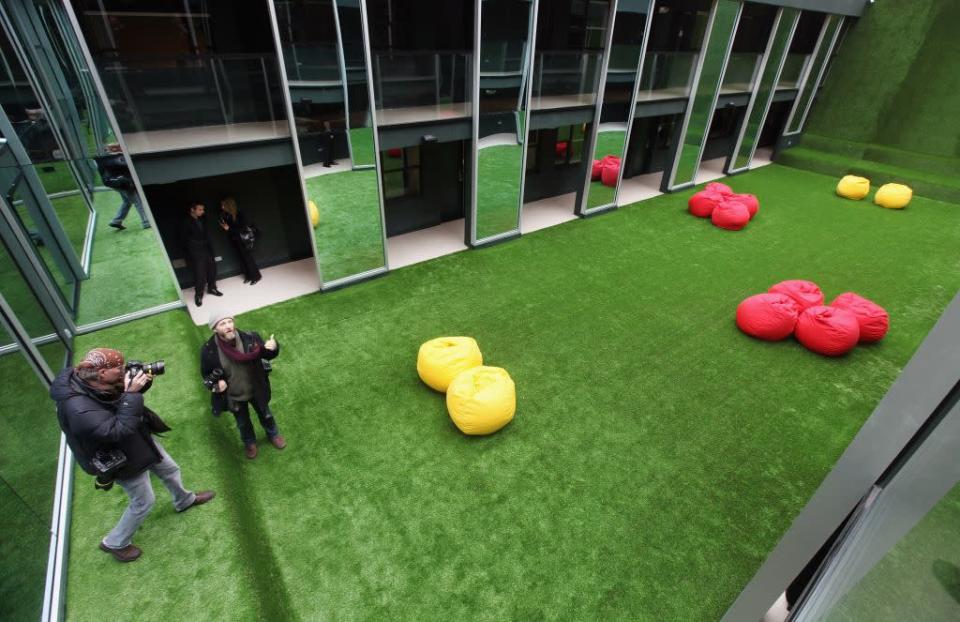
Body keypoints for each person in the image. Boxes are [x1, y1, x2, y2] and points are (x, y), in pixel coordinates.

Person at [50, 348, 215, 563]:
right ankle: (114, 543)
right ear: (101, 373)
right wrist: (132, 394)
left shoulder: (92, 380)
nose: (122, 370)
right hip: (116, 455)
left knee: (170, 468)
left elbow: (120, 401)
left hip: (135, 437)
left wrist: (140, 383)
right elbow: (115, 431)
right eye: (118, 368)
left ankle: (184, 500)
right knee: (144, 501)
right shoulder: (77, 408)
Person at [201, 313, 286, 459]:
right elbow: (206, 375)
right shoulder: (208, 350)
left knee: (266, 414)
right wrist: (216, 385)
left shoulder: (250, 337)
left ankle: (273, 434)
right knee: (242, 423)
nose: (228, 326)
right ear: (214, 329)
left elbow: (267, 354)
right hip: (234, 395)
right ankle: (250, 443)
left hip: (256, 389)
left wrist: (274, 346)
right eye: (222, 324)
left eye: (229, 322)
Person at [96, 144, 149, 230]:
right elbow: (124, 164)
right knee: (138, 201)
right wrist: (121, 152)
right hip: (123, 183)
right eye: (108, 149)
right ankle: (146, 222)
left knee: (127, 201)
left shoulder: (102, 160)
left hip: (116, 183)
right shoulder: (110, 159)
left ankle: (116, 221)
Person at [181, 203, 223, 307]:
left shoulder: (203, 219)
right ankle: (199, 295)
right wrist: (194, 249)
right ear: (192, 210)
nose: (202, 211)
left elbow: (206, 234)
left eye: (203, 209)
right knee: (200, 273)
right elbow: (184, 239)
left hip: (207, 249)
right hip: (196, 252)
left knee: (212, 269)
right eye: (200, 210)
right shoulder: (185, 222)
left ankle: (212, 288)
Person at [218, 197, 261, 285]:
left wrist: (229, 228)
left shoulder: (239, 214)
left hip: (243, 240)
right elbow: (230, 229)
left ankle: (255, 276)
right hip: (235, 240)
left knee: (248, 258)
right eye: (221, 205)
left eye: (223, 205)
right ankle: (248, 276)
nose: (222, 207)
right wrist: (226, 228)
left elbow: (243, 228)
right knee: (241, 259)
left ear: (228, 205)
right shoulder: (226, 215)